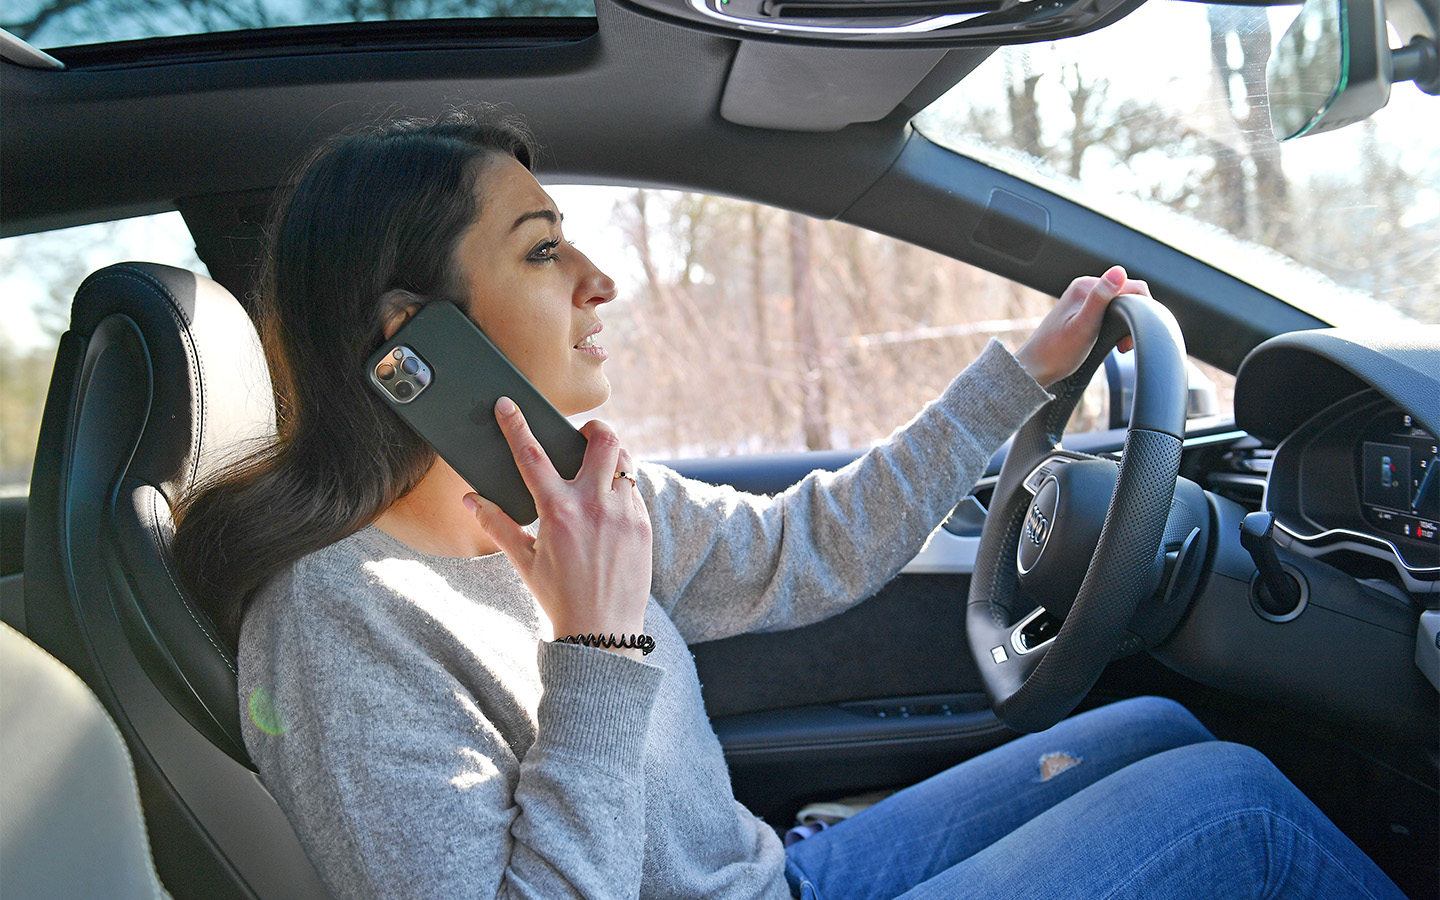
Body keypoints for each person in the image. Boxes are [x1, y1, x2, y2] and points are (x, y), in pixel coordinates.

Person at [171, 109, 1405, 900]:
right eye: (544, 250)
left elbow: (810, 545)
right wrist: (593, 645)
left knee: (1168, 739)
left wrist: (1014, 381)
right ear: (411, 341)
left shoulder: (582, 500)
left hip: (784, 880)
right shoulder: (339, 622)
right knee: (1232, 807)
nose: (602, 281)